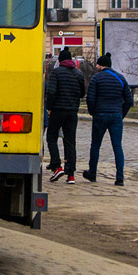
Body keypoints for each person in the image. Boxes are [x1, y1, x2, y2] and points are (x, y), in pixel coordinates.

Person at [83, 52, 134, 185]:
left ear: (100, 65)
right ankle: (120, 177)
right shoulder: (121, 78)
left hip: (100, 115)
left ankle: (92, 173)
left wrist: (93, 112)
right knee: (117, 146)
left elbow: (90, 98)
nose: (96, 67)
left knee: (95, 145)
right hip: (116, 115)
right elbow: (129, 100)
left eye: (97, 65)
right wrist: (121, 114)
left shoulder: (96, 78)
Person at [45, 47, 85, 183]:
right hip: (72, 112)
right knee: (70, 142)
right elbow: (82, 93)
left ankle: (57, 166)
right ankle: (71, 174)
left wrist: (49, 107)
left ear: (60, 60)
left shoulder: (56, 73)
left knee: (51, 137)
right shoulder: (78, 74)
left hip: (57, 110)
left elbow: (51, 92)